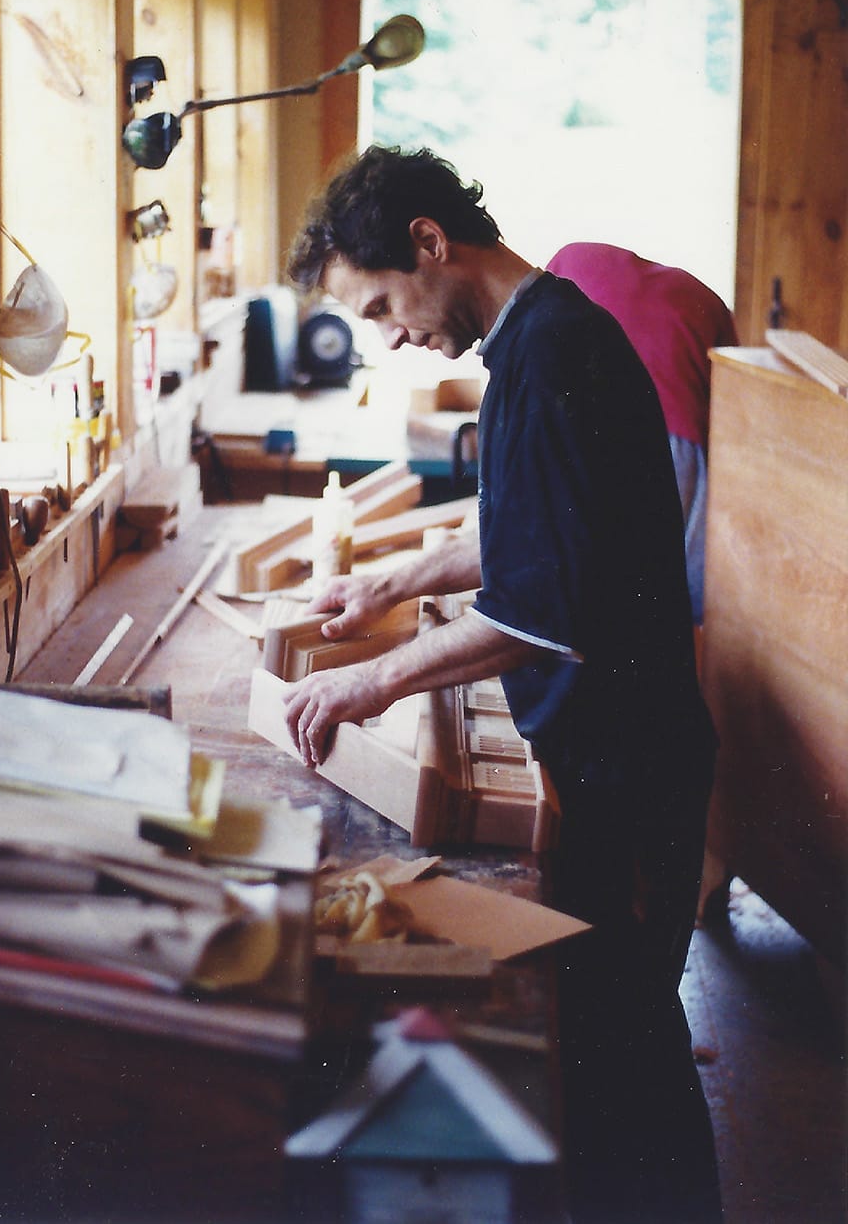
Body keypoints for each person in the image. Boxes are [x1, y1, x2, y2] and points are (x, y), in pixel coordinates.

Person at [283, 145, 723, 1224]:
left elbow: (538, 612)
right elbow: (527, 531)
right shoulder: (540, 338)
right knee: (614, 1047)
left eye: (385, 304)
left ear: (433, 244)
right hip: (615, 755)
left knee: (626, 1061)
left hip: (628, 770)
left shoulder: (555, 349)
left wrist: (370, 682)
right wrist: (396, 574)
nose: (391, 336)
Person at [544, 242, 739, 624]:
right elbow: (731, 409)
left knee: (605, 581)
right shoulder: (705, 299)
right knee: (684, 574)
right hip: (680, 433)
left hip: (606, 426)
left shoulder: (565, 267)